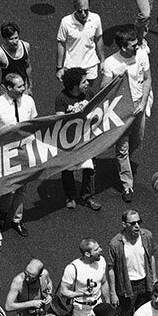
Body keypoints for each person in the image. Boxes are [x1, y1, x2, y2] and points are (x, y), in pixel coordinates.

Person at [100, 27, 151, 203]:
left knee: (137, 139)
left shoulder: (142, 55)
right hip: (120, 110)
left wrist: (143, 103)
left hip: (138, 106)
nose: (137, 47)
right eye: (133, 45)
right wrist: (116, 79)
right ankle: (127, 185)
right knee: (122, 149)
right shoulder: (110, 63)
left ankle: (122, 163)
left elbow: (147, 79)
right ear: (123, 47)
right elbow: (103, 90)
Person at [0, 72, 37, 235]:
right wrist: (6, 132)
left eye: (24, 85)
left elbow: (35, 121)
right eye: (19, 86)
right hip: (6, 152)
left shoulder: (29, 101)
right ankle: (2, 214)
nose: (24, 88)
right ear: (8, 88)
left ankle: (17, 220)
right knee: (9, 187)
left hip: (25, 149)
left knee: (22, 188)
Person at [55, 67, 102, 211]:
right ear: (75, 85)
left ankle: (87, 197)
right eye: (84, 82)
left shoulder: (88, 93)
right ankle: (70, 196)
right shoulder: (62, 99)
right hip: (70, 140)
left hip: (87, 138)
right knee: (68, 169)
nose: (87, 84)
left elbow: (97, 108)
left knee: (90, 168)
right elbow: (59, 120)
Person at [107, 210, 158, 316]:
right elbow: (111, 269)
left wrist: (154, 278)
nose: (137, 226)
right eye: (133, 223)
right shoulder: (115, 244)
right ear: (124, 224)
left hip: (145, 284)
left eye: (139, 222)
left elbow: (152, 257)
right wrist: (113, 293)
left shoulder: (147, 236)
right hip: (127, 287)